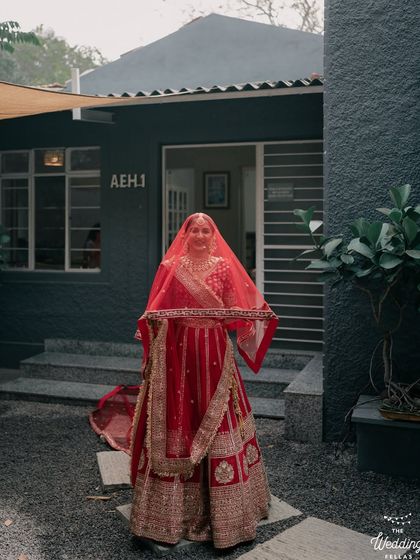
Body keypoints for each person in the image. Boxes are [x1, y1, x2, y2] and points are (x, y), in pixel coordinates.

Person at [90, 212, 278, 549]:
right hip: (178, 358)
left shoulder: (223, 266)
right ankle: (162, 518)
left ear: (213, 235)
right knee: (178, 424)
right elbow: (157, 314)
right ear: (185, 234)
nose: (202, 236)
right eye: (195, 231)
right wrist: (154, 351)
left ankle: (228, 519)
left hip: (214, 356)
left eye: (207, 231)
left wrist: (255, 314)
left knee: (220, 421)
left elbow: (237, 307)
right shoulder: (171, 268)